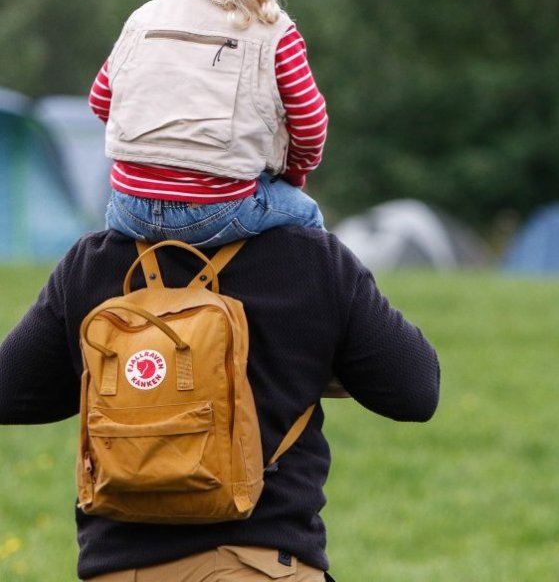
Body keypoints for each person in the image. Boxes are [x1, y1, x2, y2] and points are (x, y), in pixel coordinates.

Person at [0, 227, 441, 580]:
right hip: (259, 564)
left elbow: (10, 391)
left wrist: (122, 381)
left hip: (117, 568)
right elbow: (416, 392)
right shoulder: (309, 258)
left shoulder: (92, 263)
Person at [89, 0, 328, 248]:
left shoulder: (144, 18)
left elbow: (101, 101)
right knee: (306, 219)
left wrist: (157, 152)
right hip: (218, 208)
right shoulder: (274, 32)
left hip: (127, 207)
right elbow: (311, 126)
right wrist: (292, 176)